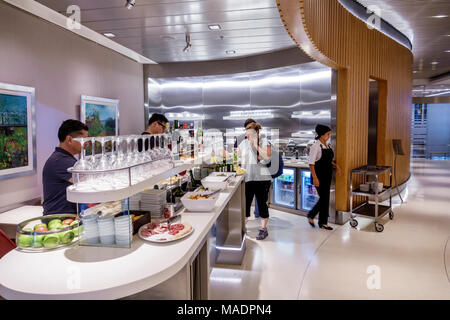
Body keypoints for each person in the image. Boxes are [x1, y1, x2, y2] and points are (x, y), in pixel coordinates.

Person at [42, 120, 88, 215]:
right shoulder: (61, 160)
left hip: (67, 215)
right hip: (59, 218)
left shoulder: (64, 158)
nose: (87, 143)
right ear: (69, 140)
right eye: (83, 140)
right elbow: (87, 183)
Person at [238, 122, 272, 240]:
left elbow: (267, 157)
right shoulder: (243, 143)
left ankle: (263, 229)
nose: (248, 137)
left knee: (262, 204)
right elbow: (236, 155)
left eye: (250, 134)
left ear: (256, 133)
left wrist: (256, 145)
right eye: (246, 135)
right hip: (247, 178)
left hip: (262, 179)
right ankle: (242, 228)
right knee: (246, 204)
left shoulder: (264, 142)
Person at [307, 124, 341, 230]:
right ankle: (317, 219)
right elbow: (311, 164)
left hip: (327, 176)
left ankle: (319, 220)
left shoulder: (327, 145)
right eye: (328, 134)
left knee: (325, 198)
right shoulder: (315, 146)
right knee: (324, 199)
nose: (329, 136)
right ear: (322, 135)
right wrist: (315, 178)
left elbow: (328, 161)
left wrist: (337, 166)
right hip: (319, 176)